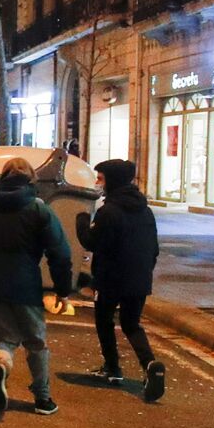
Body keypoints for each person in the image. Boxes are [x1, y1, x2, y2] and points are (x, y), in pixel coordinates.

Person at [0, 155, 73, 416]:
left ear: (2, 178)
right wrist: (63, 290)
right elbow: (60, 253)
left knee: (1, 337)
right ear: (31, 179)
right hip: (26, 285)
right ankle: (43, 399)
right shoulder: (39, 210)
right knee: (36, 342)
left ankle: (1, 366)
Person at [77, 158, 165, 403]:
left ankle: (112, 367)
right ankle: (150, 363)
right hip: (139, 277)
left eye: (101, 178)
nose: (97, 182)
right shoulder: (145, 211)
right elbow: (154, 248)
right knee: (131, 324)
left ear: (112, 180)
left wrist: (82, 221)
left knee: (104, 320)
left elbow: (91, 241)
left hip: (111, 277)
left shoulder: (109, 211)